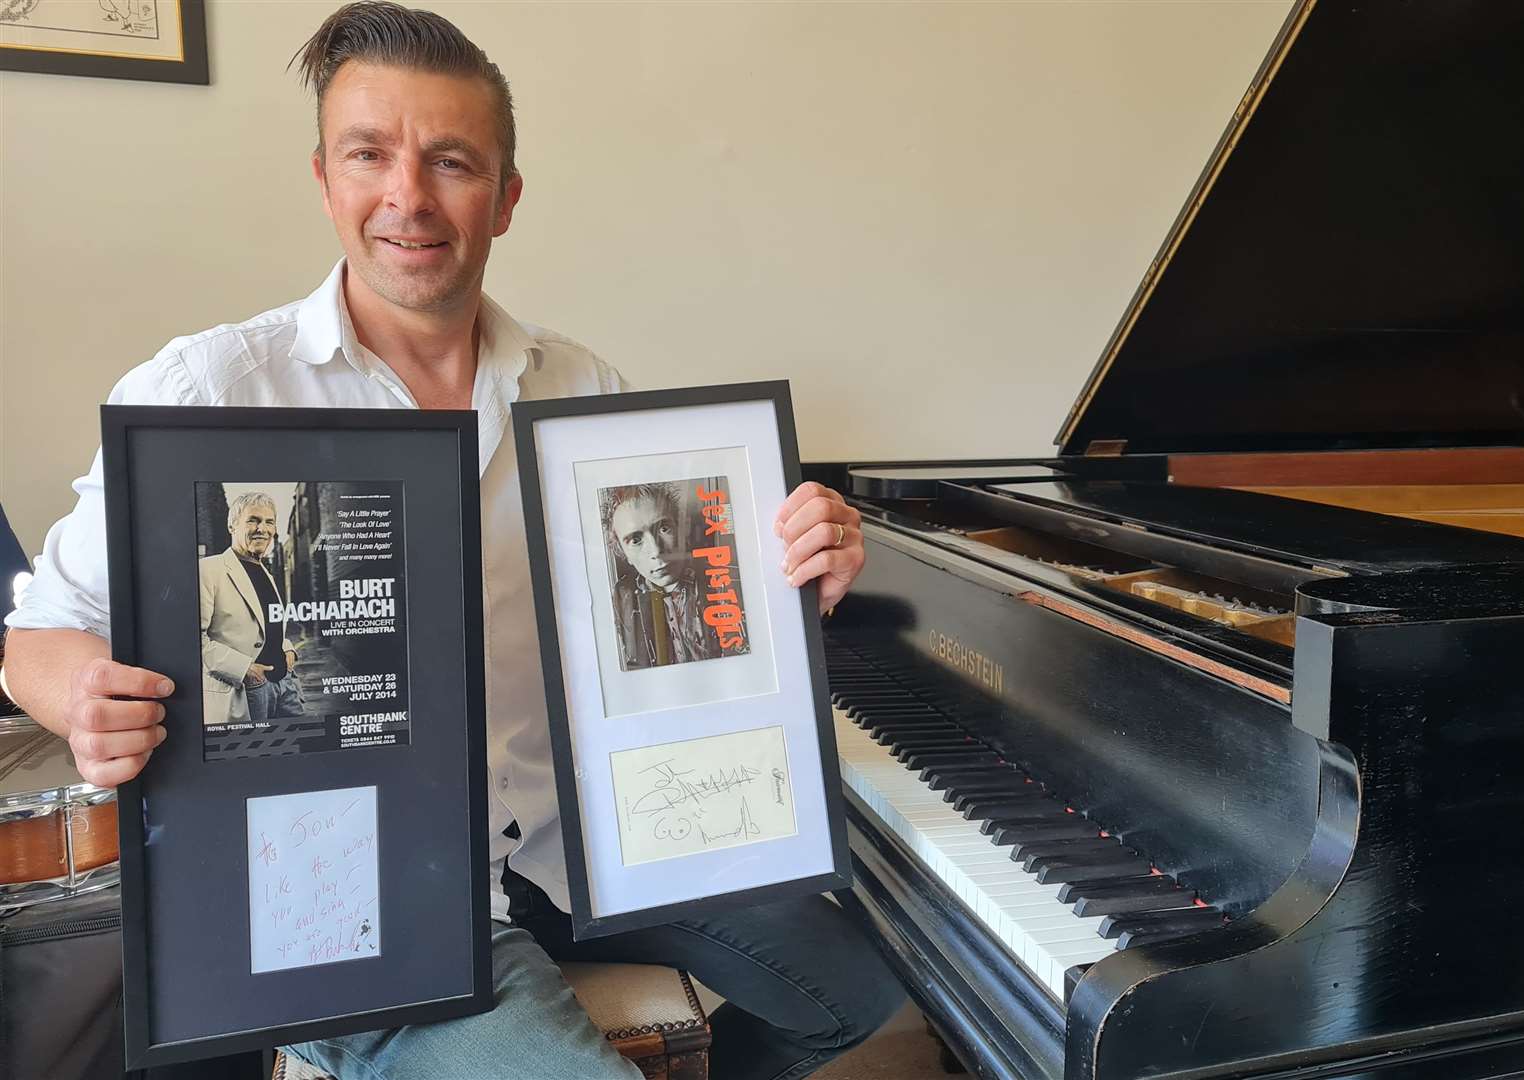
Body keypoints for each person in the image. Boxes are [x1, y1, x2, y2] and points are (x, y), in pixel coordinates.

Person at [0, 4, 897, 1079]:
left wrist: (797, 565)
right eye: (369, 155)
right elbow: (39, 635)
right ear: (326, 178)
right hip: (358, 901)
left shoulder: (585, 392)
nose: (408, 198)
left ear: (507, 197)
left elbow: (675, 618)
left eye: (452, 162)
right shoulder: (206, 392)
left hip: (588, 848)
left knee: (879, 977)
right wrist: (83, 695)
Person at [602, 482, 745, 670]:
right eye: (636, 540)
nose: (656, 550)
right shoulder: (621, 599)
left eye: (664, 529)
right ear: (623, 553)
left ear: (682, 529)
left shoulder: (728, 579)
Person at [198, 491, 300, 726]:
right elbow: (192, 641)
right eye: (253, 520)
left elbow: (268, 626)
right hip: (246, 688)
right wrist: (245, 670)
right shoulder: (208, 570)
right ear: (232, 525)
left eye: (269, 522)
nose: (262, 529)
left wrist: (288, 648)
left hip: (285, 686)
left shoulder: (266, 571)